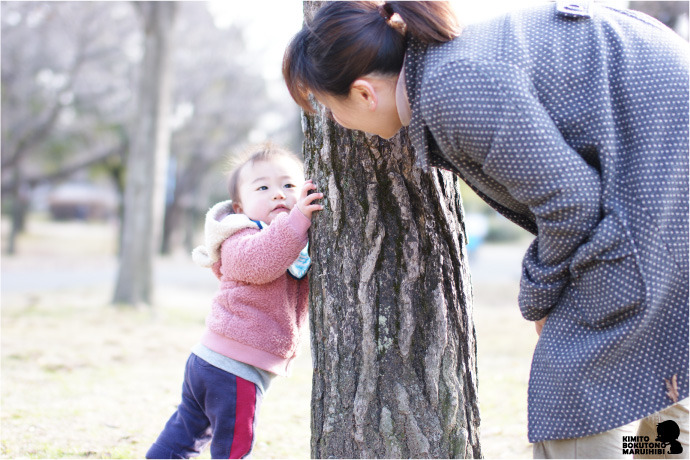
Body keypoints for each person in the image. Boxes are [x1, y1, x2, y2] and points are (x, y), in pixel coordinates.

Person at [283, 1, 689, 458]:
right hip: (661, 183)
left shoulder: (452, 87)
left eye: (328, 107)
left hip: (656, 189)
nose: (336, 123)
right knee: (665, 398)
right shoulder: (449, 63)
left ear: (362, 93)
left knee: (574, 405)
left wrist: (539, 297)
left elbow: (571, 202)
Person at [146, 144, 324, 459]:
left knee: (185, 432)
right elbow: (264, 259)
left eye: (288, 185)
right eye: (263, 187)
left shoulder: (288, 239)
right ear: (239, 207)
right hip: (231, 367)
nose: (278, 194)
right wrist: (297, 220)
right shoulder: (238, 238)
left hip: (214, 361)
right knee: (234, 446)